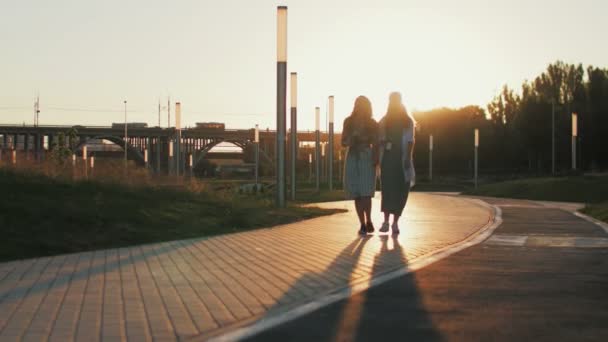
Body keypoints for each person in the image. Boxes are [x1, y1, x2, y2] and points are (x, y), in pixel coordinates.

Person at [378, 92, 416, 234]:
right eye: (392, 100)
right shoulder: (384, 121)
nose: (394, 103)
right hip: (388, 161)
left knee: (401, 191)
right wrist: (383, 142)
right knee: (387, 191)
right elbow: (378, 139)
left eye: (396, 100)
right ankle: (386, 222)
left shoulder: (407, 121)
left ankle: (395, 223)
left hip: (402, 161)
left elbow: (411, 141)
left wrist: (407, 158)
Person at [342, 96, 379, 235]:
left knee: (366, 193)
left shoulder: (372, 123)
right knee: (356, 192)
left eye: (363, 105)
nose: (360, 107)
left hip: (366, 156)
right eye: (358, 104)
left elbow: (376, 142)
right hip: (352, 156)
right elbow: (343, 141)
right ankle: (362, 224)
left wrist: (376, 158)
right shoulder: (349, 121)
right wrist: (351, 138)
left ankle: (369, 220)